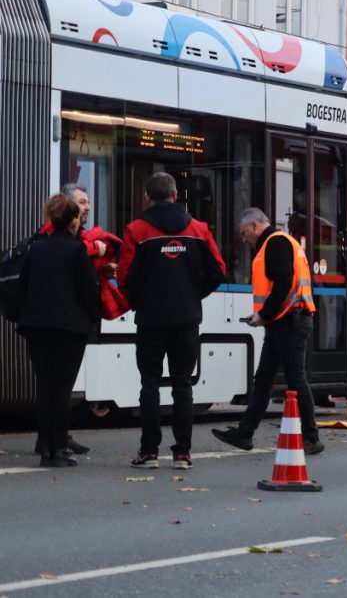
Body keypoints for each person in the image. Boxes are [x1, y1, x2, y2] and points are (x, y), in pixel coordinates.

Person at [118, 172, 226, 470]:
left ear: (147, 197)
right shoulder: (198, 229)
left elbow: (125, 277)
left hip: (150, 320)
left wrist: (141, 301)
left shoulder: (136, 230)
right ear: (176, 195)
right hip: (187, 319)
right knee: (183, 385)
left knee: (149, 384)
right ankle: (182, 454)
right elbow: (218, 270)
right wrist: (193, 294)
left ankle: (149, 452)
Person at [212, 208, 324, 455]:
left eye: (244, 234)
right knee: (264, 380)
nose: (244, 240)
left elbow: (282, 284)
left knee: (295, 379)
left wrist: (263, 315)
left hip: (288, 322)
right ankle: (245, 433)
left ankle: (311, 438)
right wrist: (266, 317)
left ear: (254, 225)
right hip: (285, 321)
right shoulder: (281, 243)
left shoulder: (275, 243)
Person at [9, 194, 99, 467]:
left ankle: (44, 447)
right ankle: (58, 450)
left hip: (36, 326)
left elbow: (22, 288)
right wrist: (93, 319)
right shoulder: (76, 250)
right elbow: (88, 293)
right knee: (62, 390)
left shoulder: (36, 248)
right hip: (69, 329)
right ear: (73, 220)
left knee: (45, 388)